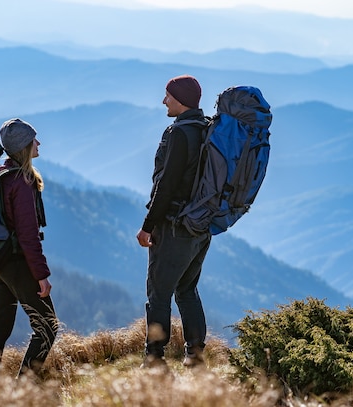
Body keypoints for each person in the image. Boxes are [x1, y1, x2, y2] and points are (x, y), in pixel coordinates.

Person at [136, 74, 211, 368]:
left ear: (179, 99)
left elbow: (166, 185)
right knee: (187, 288)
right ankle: (196, 355)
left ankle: (154, 358)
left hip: (175, 225)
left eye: (167, 95)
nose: (163, 101)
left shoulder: (180, 133)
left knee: (159, 291)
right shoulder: (205, 129)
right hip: (200, 225)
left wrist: (148, 225)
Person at [0, 118, 58, 378]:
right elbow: (28, 236)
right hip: (16, 262)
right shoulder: (22, 182)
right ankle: (25, 389)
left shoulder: (1, 175)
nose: (38, 143)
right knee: (48, 326)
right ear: (24, 147)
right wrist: (41, 275)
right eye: (33, 139)